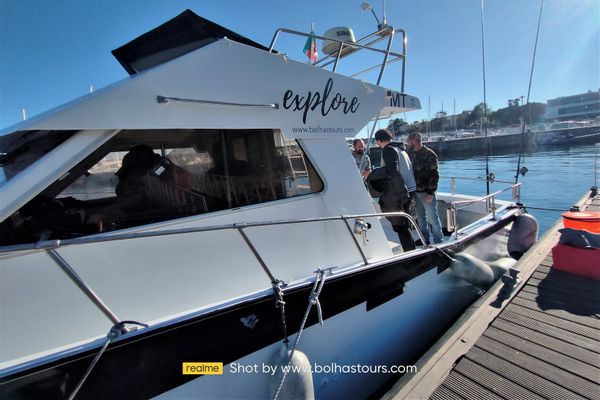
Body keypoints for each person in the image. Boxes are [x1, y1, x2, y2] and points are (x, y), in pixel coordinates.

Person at [367, 129, 416, 251]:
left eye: (377, 142)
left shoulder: (388, 150)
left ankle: (410, 253)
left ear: (379, 140)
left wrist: (372, 173)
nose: (377, 145)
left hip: (401, 191)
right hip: (410, 188)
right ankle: (411, 249)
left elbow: (392, 170)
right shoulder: (401, 149)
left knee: (400, 226)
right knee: (404, 222)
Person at [406, 132, 444, 244]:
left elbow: (434, 174)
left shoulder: (430, 154)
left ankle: (439, 241)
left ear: (413, 140)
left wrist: (430, 192)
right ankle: (425, 240)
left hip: (426, 193)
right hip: (415, 192)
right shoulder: (409, 154)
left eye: (408, 141)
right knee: (421, 218)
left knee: (432, 218)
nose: (407, 143)